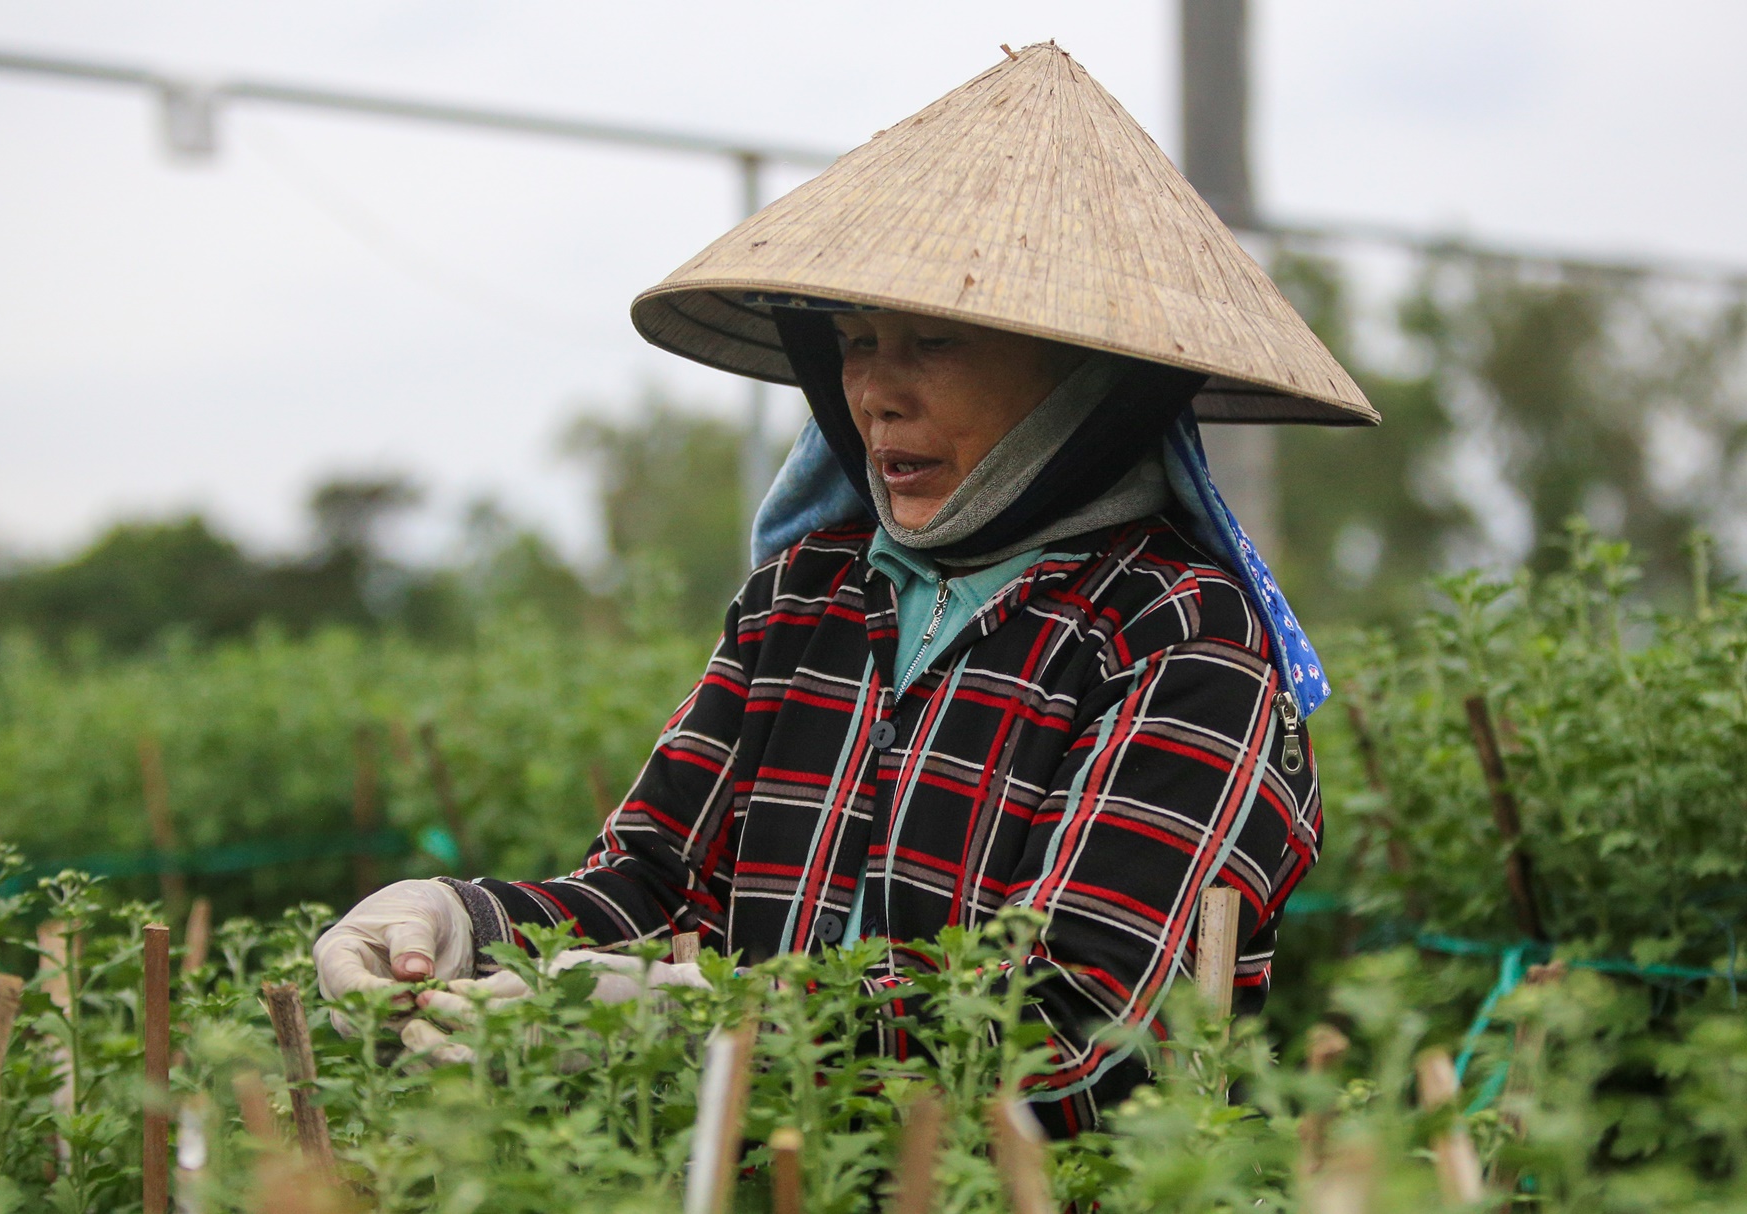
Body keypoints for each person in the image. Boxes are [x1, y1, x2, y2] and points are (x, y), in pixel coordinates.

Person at [314, 42, 1376, 1136]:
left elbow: (1078, 1031)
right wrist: (460, 925)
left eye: (934, 340)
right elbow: (653, 888)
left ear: (1083, 374)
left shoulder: (1177, 635)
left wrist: (715, 1022)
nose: (877, 393)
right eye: (859, 343)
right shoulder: (808, 597)